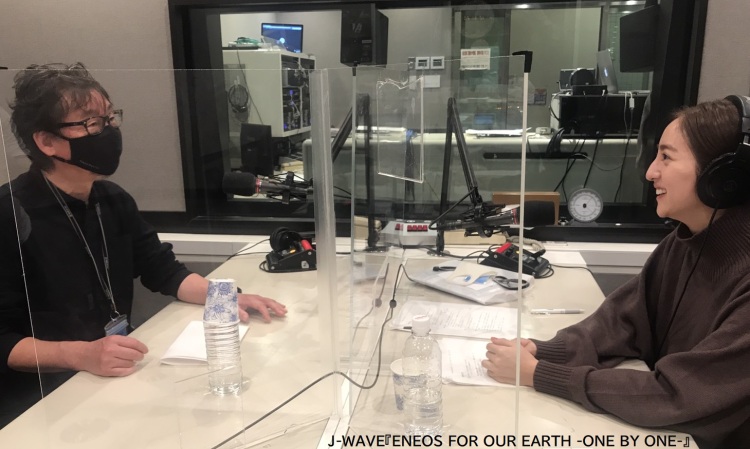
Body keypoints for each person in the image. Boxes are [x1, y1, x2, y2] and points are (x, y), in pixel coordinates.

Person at [0, 63, 287, 427]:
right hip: (41, 405)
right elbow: (3, 340)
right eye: (92, 123)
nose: (108, 131)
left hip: (112, 379)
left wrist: (225, 297)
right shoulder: (9, 215)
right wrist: (80, 355)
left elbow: (162, 270)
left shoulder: (112, 199)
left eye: (110, 118)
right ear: (46, 141)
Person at [483, 96, 750, 448]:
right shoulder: (683, 243)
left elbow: (677, 395)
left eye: (666, 157)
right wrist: (544, 350)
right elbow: (624, 321)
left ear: (724, 176)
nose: (650, 172)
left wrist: (539, 374)